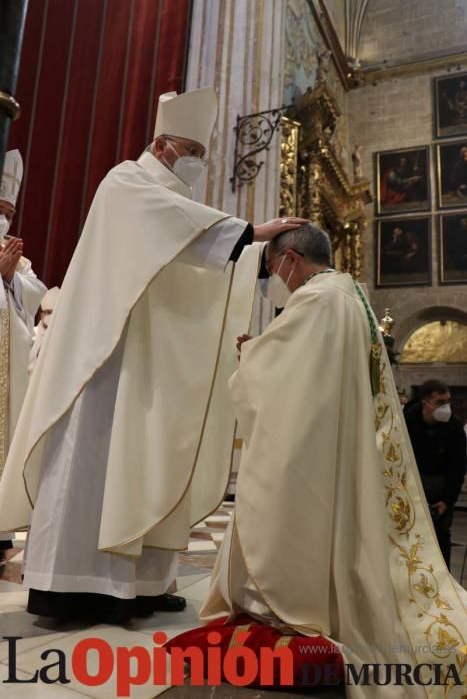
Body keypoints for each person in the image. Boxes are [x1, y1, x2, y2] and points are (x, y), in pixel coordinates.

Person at [0, 87, 306, 623]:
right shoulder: (127, 181)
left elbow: (193, 256)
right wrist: (251, 235)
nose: (197, 162)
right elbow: (179, 231)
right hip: (104, 361)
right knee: (94, 467)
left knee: (149, 459)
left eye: (203, 154)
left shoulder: (177, 207)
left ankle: (142, 584)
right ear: (162, 145)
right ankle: (73, 586)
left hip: (148, 365)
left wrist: (258, 255)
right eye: (191, 149)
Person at [201, 223, 467, 698]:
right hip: (338, 436)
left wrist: (250, 356)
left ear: (291, 259)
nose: (276, 279)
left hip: (308, 444)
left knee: (290, 522)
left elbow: (284, 377)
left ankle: (287, 605)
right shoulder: (351, 295)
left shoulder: (317, 300)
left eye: (274, 267)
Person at [0, 150, 46, 560]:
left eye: (9, 214)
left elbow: (39, 294)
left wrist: (10, 275)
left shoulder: (18, 258)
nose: (4, 221)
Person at [404, 379, 466, 569]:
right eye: (440, 402)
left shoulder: (454, 427)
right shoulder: (406, 422)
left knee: (440, 539)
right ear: (426, 404)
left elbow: (458, 468)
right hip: (412, 488)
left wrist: (447, 501)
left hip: (441, 490)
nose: (446, 407)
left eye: (448, 401)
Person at [28, 286, 60, 374]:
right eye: (48, 312)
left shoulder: (61, 338)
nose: (51, 317)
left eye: (55, 313)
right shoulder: (31, 334)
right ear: (41, 313)